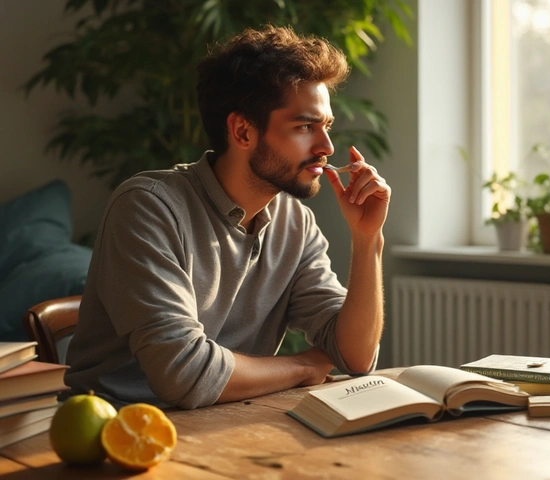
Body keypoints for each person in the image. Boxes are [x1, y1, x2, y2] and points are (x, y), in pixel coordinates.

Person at [64, 25, 391, 409]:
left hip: (232, 421)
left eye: (327, 126)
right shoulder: (148, 208)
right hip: (121, 433)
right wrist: (305, 365)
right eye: (305, 126)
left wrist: (368, 239)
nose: (327, 146)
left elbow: (355, 357)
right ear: (242, 131)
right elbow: (183, 375)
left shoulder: (294, 223)